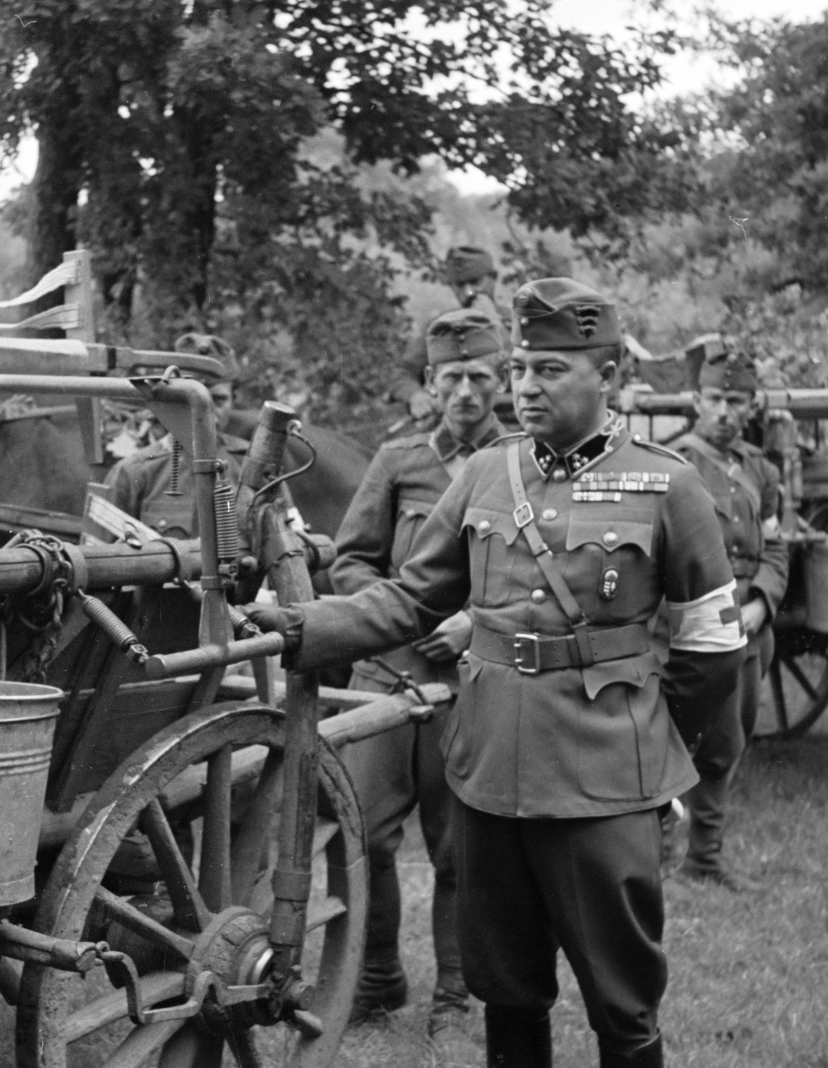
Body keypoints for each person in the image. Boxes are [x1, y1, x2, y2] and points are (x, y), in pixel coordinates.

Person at [247, 278, 746, 1068]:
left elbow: (711, 649)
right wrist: (304, 626)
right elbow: (411, 597)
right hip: (488, 776)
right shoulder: (488, 473)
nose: (524, 386)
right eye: (521, 368)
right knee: (508, 989)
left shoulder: (667, 484)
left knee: (623, 1002)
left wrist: (659, 761)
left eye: (550, 369)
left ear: (609, 375)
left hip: (604, 777)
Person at [332, 309, 517, 1037]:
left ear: (500, 380)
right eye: (452, 377)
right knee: (366, 835)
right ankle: (377, 979)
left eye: (479, 376)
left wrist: (476, 621)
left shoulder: (521, 465)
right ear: (431, 384)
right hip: (385, 676)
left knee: (458, 846)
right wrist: (396, 615)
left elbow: (538, 574)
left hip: (473, 680)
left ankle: (454, 995)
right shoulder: (397, 460)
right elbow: (350, 558)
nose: (466, 391)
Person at [670, 337, 788, 892]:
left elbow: (777, 546)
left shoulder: (760, 472)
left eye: (736, 402)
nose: (724, 412)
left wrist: (762, 603)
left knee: (730, 741)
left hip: (748, 628)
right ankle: (655, 849)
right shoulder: (673, 465)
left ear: (752, 407)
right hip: (691, 627)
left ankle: (705, 857)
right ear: (696, 400)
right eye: (715, 399)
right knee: (679, 737)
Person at [104, 333, 246, 538]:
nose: (206, 411)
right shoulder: (133, 474)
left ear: (234, 400)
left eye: (219, 399)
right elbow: (101, 559)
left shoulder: (253, 466)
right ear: (172, 399)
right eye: (193, 399)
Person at [390, 246, 516, 424]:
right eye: (460, 285)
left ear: (493, 278)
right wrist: (415, 395)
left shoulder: (519, 323)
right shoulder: (440, 327)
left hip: (512, 425)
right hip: (456, 427)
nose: (468, 292)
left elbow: (525, 373)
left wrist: (494, 325)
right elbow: (402, 373)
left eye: (475, 282)